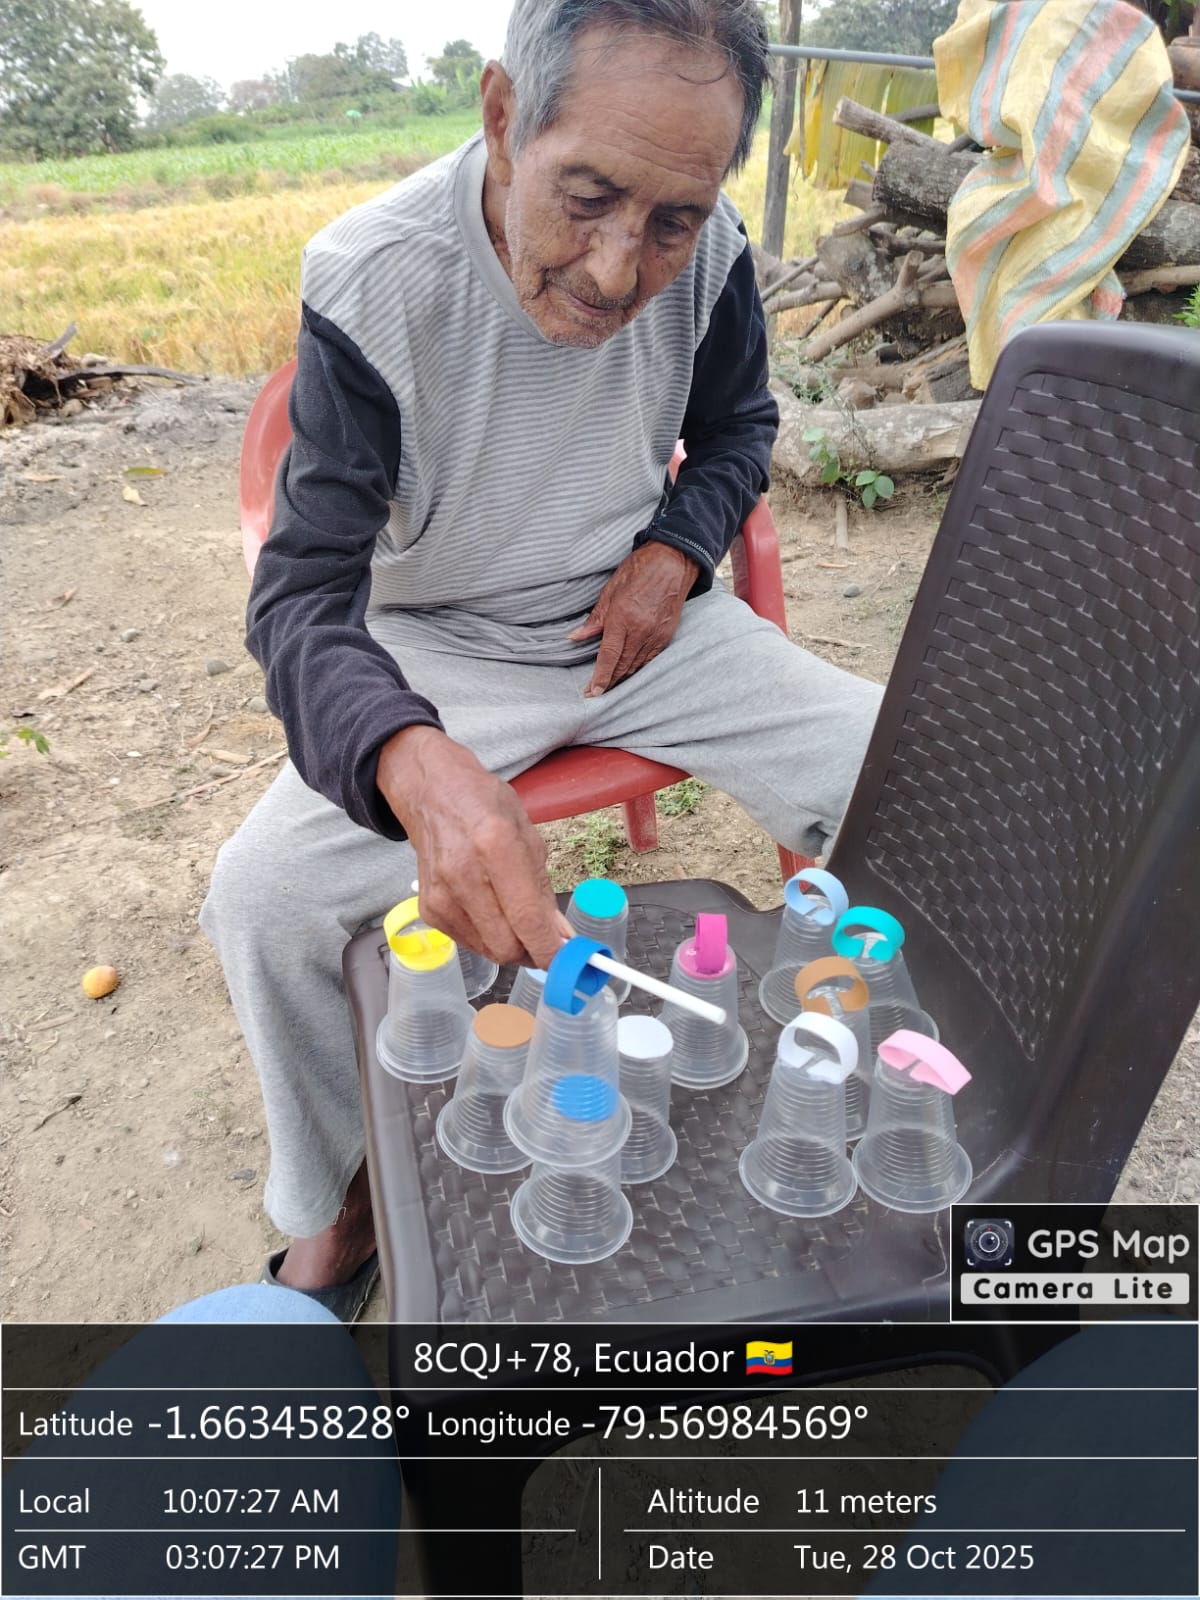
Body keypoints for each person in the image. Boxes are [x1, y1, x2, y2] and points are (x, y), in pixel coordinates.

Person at [200, 0, 884, 1316]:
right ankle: (336, 1203)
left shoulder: (717, 255)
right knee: (265, 900)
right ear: (505, 117)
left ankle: (860, 1085)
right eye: (588, 198)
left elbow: (739, 427)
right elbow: (300, 595)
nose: (620, 271)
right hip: (439, 645)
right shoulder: (376, 276)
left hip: (647, 624)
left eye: (671, 220)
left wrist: (677, 549)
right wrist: (410, 756)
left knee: (904, 777)